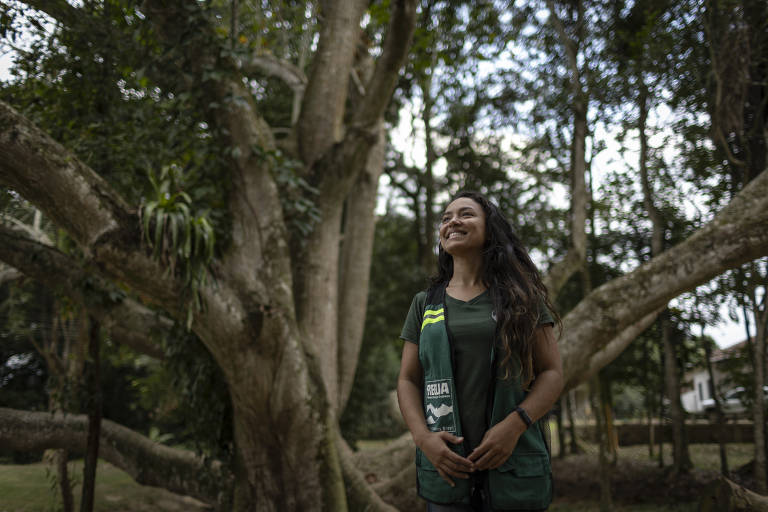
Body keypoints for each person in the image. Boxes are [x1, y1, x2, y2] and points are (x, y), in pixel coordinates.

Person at [397, 191, 563, 512]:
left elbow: (552, 373)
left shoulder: (523, 299)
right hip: (447, 472)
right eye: (445, 218)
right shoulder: (425, 303)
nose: (453, 222)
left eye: (466, 214)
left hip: (514, 470)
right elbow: (407, 379)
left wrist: (515, 425)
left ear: (491, 229)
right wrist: (423, 438)